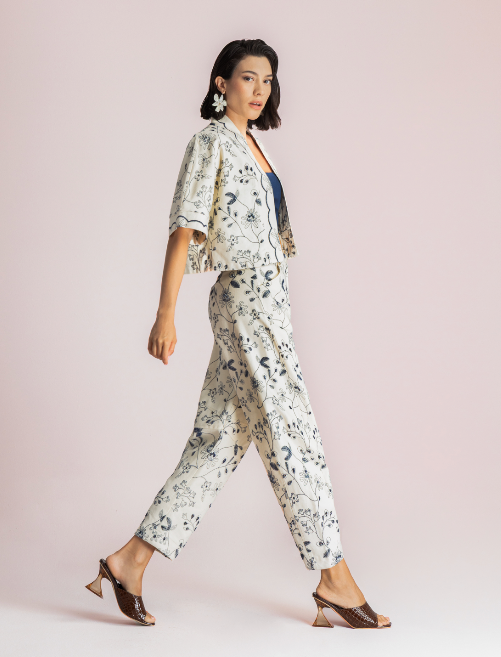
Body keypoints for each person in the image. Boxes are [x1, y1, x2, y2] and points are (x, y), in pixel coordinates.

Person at [85, 38, 391, 630]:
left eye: (267, 80)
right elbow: (184, 228)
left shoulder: (255, 145)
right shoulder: (211, 142)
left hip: (270, 303)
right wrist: (165, 313)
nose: (259, 89)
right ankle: (334, 577)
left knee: (218, 442)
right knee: (294, 432)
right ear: (221, 83)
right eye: (248, 78)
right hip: (245, 304)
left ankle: (128, 562)